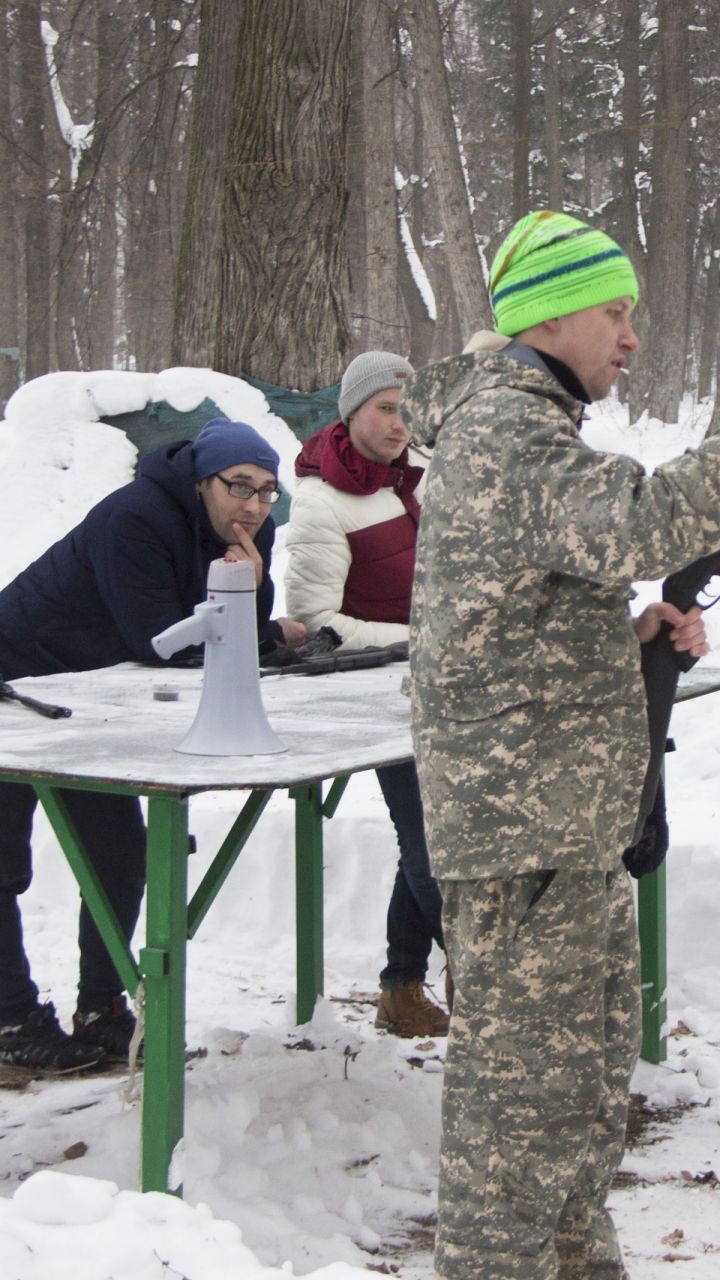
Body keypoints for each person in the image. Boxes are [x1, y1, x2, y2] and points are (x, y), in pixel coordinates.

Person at [404, 209, 720, 1278]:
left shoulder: (526, 428)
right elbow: (640, 525)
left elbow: (532, 598)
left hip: (557, 824)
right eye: (614, 311)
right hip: (525, 831)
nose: (632, 336)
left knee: (578, 1100)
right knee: (519, 1119)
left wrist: (619, 638)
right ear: (547, 313)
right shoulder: (508, 431)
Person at [0, 417, 307, 1071]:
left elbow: (238, 649)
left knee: (118, 855)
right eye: (240, 487)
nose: (254, 505)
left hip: (85, 695)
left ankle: (101, 1007)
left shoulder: (253, 532)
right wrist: (246, 610)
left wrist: (252, 592)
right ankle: (17, 1018)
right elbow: (157, 640)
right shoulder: (136, 517)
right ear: (203, 481)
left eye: (266, 491)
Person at [284, 350, 449, 1038]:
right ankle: (485, 975)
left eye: (406, 408)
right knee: (429, 844)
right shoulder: (321, 498)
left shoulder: (419, 478)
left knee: (435, 838)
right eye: (384, 407)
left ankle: (401, 986)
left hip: (444, 682)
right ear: (350, 412)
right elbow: (315, 624)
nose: (397, 422)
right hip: (379, 697)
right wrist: (421, 635)